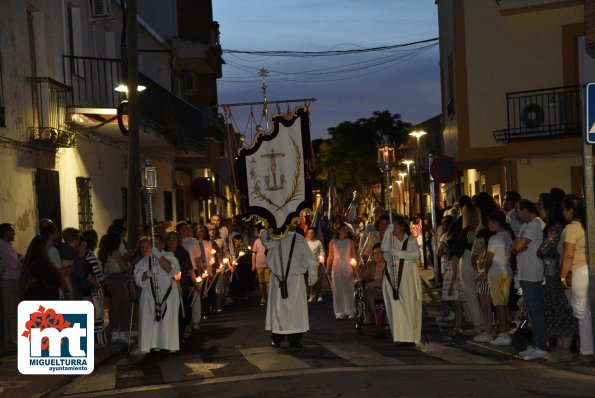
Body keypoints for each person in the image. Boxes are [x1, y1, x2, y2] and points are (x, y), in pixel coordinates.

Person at [536, 194, 577, 363]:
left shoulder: (556, 227)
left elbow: (544, 250)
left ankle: (563, 350)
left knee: (562, 311)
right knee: (558, 311)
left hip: (559, 274)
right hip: (556, 274)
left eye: (541, 207)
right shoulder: (557, 226)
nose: (540, 211)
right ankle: (560, 349)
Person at [261, 227, 317, 348]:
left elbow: (309, 258)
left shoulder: (298, 238)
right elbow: (264, 238)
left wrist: (313, 272)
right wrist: (271, 229)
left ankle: (293, 338)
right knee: (281, 310)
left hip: (293, 280)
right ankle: (279, 337)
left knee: (292, 311)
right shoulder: (274, 238)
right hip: (279, 280)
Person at [559, 194, 593, 366]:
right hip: (590, 269)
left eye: (564, 210)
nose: (563, 214)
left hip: (580, 270)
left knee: (582, 313)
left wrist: (563, 275)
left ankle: (587, 351)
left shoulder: (573, 227)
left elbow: (569, 254)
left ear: (571, 211)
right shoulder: (588, 223)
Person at [134, 234, 180, 356]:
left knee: (167, 319)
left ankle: (168, 345)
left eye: (158, 243)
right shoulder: (144, 260)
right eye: (153, 244)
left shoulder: (169, 256)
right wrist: (148, 273)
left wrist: (159, 256)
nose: (155, 246)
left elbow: (170, 269)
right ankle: (151, 345)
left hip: (168, 295)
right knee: (150, 319)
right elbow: (138, 277)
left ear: (162, 244)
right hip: (150, 295)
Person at [512, 199, 547, 360]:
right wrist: (518, 245)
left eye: (518, 210)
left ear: (527, 210)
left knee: (536, 311)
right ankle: (535, 344)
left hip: (533, 273)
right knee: (531, 312)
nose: (516, 214)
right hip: (525, 273)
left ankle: (541, 345)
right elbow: (516, 246)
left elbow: (518, 247)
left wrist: (519, 245)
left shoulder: (535, 224)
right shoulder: (526, 226)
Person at [381, 215, 422, 345]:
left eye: (395, 227)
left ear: (402, 227)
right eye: (392, 227)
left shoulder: (411, 240)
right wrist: (388, 231)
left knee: (408, 306)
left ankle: (410, 337)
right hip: (393, 278)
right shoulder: (390, 241)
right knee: (396, 308)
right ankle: (399, 337)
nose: (394, 230)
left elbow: (415, 255)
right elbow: (384, 248)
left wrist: (398, 254)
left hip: (408, 278)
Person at [484, 210, 513, 346]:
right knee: (504, 303)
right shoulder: (507, 236)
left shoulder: (493, 239)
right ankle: (506, 329)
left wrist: (484, 271)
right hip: (507, 271)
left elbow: (489, 259)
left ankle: (503, 333)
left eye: (490, 223)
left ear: (495, 223)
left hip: (495, 272)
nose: (488, 225)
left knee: (499, 304)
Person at [98, 232, 131, 343]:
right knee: (124, 305)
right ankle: (122, 331)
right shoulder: (115, 253)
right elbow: (125, 267)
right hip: (118, 279)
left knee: (115, 305)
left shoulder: (106, 253)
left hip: (111, 279)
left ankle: (115, 331)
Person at [326, 223, 357, 320]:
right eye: (344, 229)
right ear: (339, 231)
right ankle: (339, 312)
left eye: (346, 229)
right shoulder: (333, 242)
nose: (345, 231)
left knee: (349, 289)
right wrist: (328, 268)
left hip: (347, 266)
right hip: (336, 267)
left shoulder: (349, 242)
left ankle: (351, 311)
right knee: (337, 291)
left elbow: (353, 255)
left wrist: (355, 267)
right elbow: (330, 257)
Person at [82, 229, 107, 345]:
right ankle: (98, 342)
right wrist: (103, 281)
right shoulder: (90, 256)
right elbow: (97, 274)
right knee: (97, 315)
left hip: (88, 289)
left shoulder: (84, 256)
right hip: (95, 289)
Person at [19, 235, 62, 301]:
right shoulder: (42, 265)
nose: (49, 249)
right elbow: (55, 282)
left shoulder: (29, 263)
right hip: (43, 300)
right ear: (43, 249)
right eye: (48, 247)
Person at [0, 224, 22, 353]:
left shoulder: (8, 245)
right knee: (9, 313)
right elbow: (14, 264)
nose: (14, 234)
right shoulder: (2, 245)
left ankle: (12, 341)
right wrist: (22, 262)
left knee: (14, 313)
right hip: (8, 283)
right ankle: (8, 343)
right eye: (12, 231)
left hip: (14, 282)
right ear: (5, 232)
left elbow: (19, 257)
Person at [362, 243, 386, 325]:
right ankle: (375, 313)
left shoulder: (388, 266)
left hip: (385, 291)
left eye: (379, 253)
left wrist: (371, 284)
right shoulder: (370, 265)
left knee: (371, 286)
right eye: (375, 253)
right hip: (373, 292)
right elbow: (364, 278)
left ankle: (379, 314)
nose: (376, 255)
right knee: (369, 289)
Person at [306, 227, 325, 303]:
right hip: (309, 265)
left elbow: (322, 252)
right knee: (310, 280)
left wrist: (320, 260)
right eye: (309, 233)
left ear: (315, 234)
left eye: (312, 233)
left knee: (318, 280)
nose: (310, 234)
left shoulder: (318, 242)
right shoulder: (306, 243)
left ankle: (319, 295)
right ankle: (311, 295)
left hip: (317, 264)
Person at [251, 228, 270, 306]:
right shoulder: (257, 241)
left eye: (264, 232)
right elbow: (254, 254)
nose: (263, 233)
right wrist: (253, 264)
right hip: (259, 264)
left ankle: (269, 298)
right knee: (261, 282)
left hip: (268, 264)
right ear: (259, 234)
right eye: (261, 232)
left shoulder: (270, 241)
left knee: (268, 282)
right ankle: (263, 298)